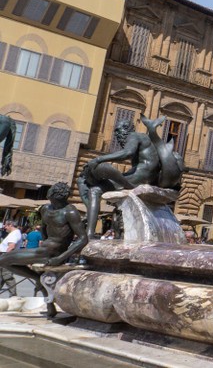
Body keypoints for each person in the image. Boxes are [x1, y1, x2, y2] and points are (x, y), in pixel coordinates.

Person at [77, 115, 182, 239]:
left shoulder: (134, 136)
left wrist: (98, 159)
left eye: (118, 131)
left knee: (94, 188)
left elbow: (127, 153)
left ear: (126, 129)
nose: (116, 135)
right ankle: (91, 224)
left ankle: (89, 234)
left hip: (139, 177)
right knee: (92, 186)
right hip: (144, 177)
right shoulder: (143, 138)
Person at [0, 182, 88, 316]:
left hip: (55, 252)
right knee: (3, 260)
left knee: (3, 260)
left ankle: (39, 281)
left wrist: (60, 257)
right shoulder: (45, 209)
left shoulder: (70, 211)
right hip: (44, 249)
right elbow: (43, 228)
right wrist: (45, 241)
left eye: (51, 191)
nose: (49, 192)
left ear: (55, 195)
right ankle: (39, 279)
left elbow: (83, 238)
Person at [0, 221, 21, 293]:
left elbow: (11, 246)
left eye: (6, 226)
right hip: (5, 256)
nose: (4, 227)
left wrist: (5, 257)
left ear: (10, 225)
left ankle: (13, 295)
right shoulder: (14, 233)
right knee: (2, 276)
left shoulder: (14, 234)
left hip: (6, 256)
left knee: (7, 276)